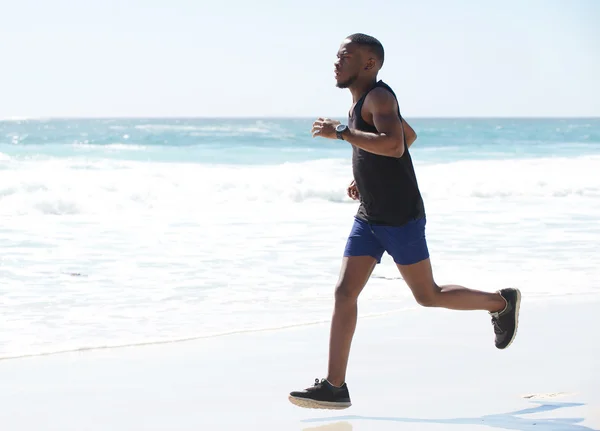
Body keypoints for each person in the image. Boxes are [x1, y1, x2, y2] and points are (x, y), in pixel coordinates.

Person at [287, 33, 521, 410]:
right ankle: (335, 386)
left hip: (398, 216)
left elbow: (394, 145)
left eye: (345, 56)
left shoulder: (379, 97)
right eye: (336, 56)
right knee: (344, 293)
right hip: (370, 215)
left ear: (369, 64)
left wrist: (343, 133)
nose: (336, 62)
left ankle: (500, 303)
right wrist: (364, 176)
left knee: (428, 295)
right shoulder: (362, 102)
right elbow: (406, 135)